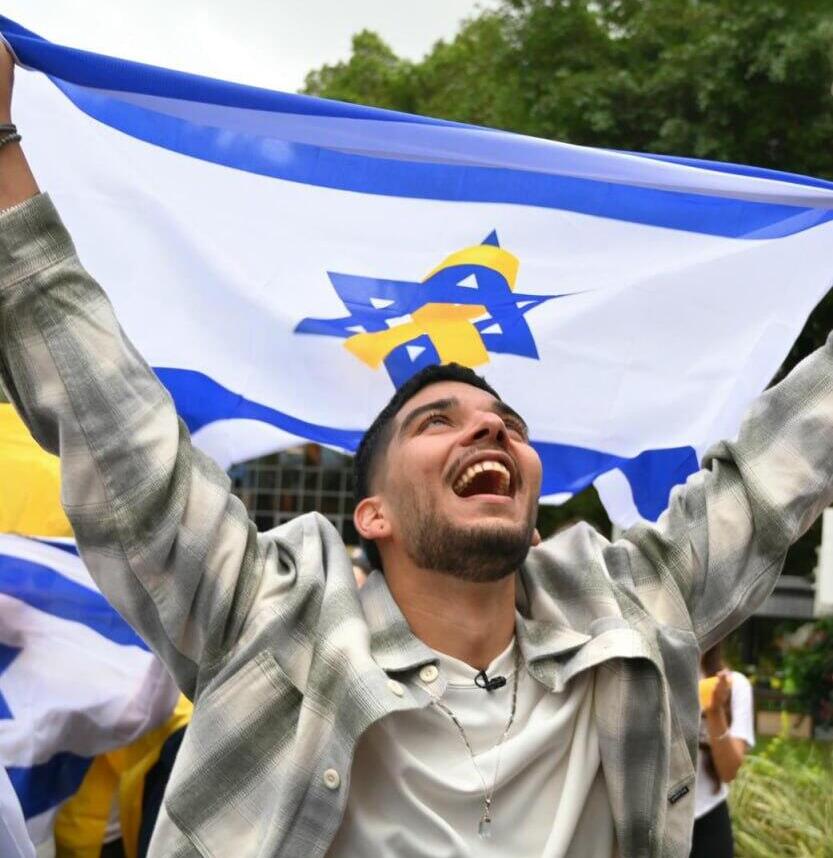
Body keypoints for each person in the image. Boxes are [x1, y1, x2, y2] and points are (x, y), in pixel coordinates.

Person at [0, 43, 830, 858]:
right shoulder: (271, 626)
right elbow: (121, 436)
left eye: (507, 424)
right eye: (437, 421)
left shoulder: (631, 617)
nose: (490, 429)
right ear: (373, 515)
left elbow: (778, 468)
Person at [691, 645, 754, 858]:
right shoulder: (649, 678)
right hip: (656, 819)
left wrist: (715, 711)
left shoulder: (734, 685)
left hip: (707, 818)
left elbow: (729, 771)